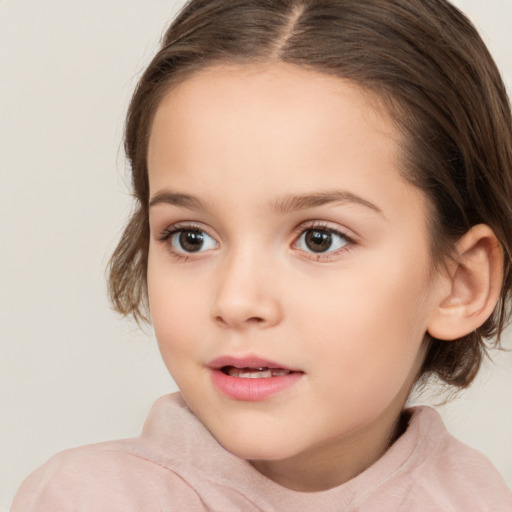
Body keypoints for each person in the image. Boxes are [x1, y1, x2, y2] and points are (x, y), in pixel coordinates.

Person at [12, 0, 512, 510]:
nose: (236, 300)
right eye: (191, 238)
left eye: (319, 239)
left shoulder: (477, 497)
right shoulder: (89, 499)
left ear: (460, 283)